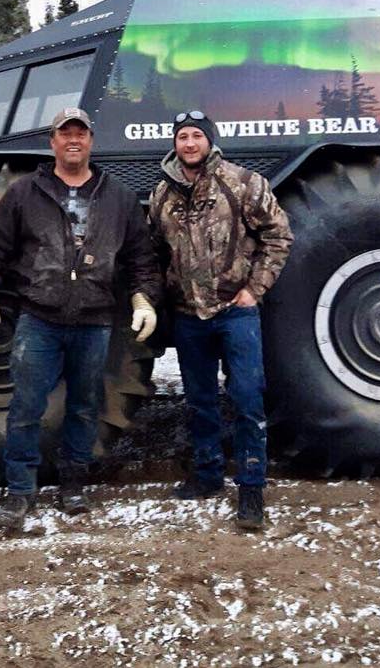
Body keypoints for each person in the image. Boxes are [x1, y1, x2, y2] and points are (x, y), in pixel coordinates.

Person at [0, 107, 161, 533]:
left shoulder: (118, 196)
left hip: (95, 321)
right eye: (64, 134)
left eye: (81, 133)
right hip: (39, 318)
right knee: (25, 407)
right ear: (52, 142)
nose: (73, 140)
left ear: (91, 141)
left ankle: (73, 485)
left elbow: (140, 259)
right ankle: (20, 490)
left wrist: (144, 299)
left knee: (83, 407)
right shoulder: (24, 193)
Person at [148, 111, 293, 530]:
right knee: (200, 403)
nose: (190, 144)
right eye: (183, 137)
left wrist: (254, 289)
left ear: (210, 140)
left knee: (247, 399)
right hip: (188, 317)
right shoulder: (162, 195)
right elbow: (154, 253)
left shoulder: (243, 183)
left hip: (235, 312)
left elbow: (278, 236)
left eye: (197, 136)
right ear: (175, 143)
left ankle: (251, 488)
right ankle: (208, 475)